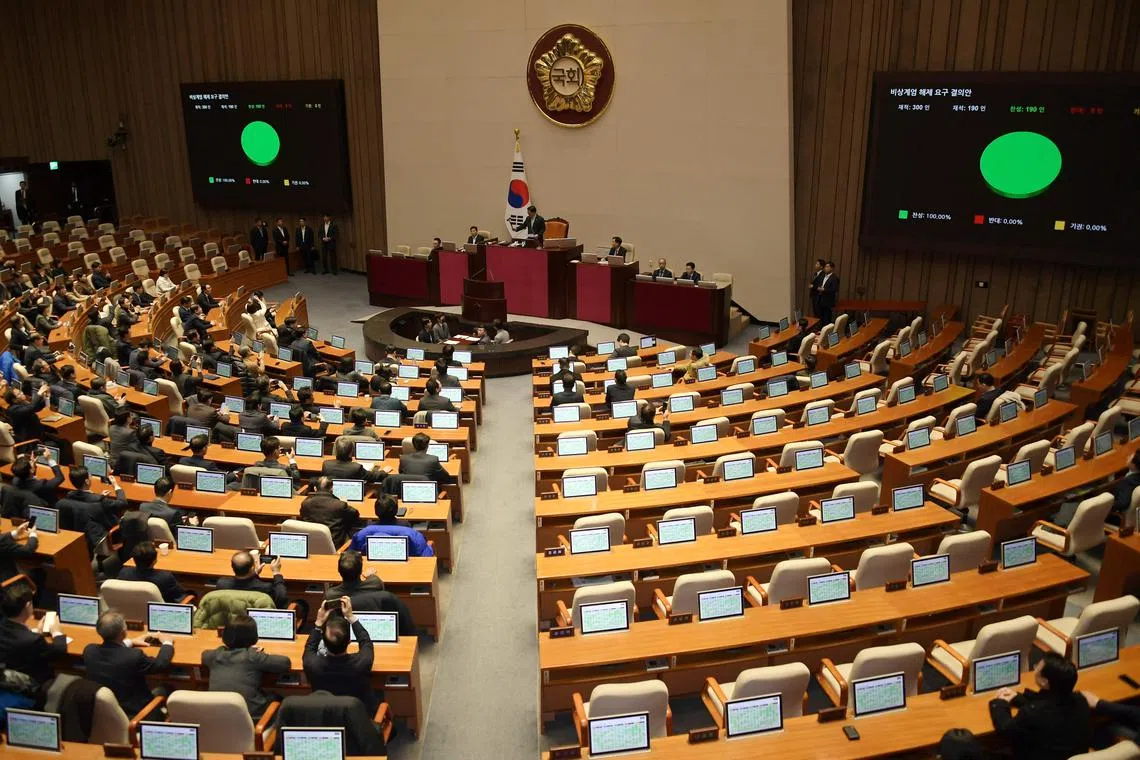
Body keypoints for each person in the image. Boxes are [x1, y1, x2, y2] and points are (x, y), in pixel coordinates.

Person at [988, 653, 1089, 760]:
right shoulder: (1081, 701)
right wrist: (1017, 698)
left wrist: (999, 703)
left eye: (1037, 667)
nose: (1034, 669)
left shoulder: (1032, 713)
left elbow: (1005, 730)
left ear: (1044, 682)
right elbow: (1048, 701)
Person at [82, 611, 174, 716]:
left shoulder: (89, 651)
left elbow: (112, 651)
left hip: (105, 712)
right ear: (123, 632)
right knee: (167, 688)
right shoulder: (134, 656)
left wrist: (130, 641)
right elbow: (160, 665)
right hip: (136, 713)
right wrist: (167, 643)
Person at [202, 613, 292, 719]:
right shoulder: (253, 656)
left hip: (218, 715)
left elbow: (204, 654)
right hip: (251, 717)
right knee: (278, 697)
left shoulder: (214, 655)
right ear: (254, 637)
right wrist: (260, 654)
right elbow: (285, 663)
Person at [303, 596, 379, 714]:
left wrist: (319, 622)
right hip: (358, 716)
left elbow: (310, 647)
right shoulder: (362, 662)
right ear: (349, 641)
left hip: (325, 716)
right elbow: (366, 642)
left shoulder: (312, 664)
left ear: (323, 642)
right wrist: (351, 617)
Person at [0, 579, 67, 687]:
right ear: (28, 605)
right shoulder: (33, 640)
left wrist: (35, 632)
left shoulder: (3, 625)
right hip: (33, 684)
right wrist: (56, 632)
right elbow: (58, 651)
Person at [350, 497, 434, 557]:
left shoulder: (362, 533)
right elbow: (426, 555)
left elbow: (351, 554)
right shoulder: (411, 533)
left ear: (375, 512)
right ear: (397, 511)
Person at [215, 550, 288, 608]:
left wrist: (255, 574)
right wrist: (276, 572)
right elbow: (281, 600)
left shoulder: (222, 584)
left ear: (232, 567)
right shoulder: (265, 588)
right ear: (252, 567)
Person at [117, 542, 186, 603]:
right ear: (154, 561)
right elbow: (179, 595)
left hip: (134, 608)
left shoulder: (123, 573)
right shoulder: (165, 578)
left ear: (134, 559)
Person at [301, 477, 361, 546]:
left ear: (315, 488)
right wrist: (344, 503)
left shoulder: (305, 504)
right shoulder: (340, 505)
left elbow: (302, 517)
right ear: (332, 489)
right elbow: (356, 515)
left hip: (310, 543)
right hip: (335, 544)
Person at [323, 438, 387, 483]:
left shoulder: (326, 465)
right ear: (351, 452)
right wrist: (384, 471)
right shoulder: (356, 468)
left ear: (336, 451)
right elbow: (373, 477)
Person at [817, 260, 839, 324]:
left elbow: (835, 289)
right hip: (821, 299)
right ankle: (821, 328)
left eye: (827, 267)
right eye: (825, 267)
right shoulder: (824, 276)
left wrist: (824, 289)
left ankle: (827, 329)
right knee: (821, 317)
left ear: (832, 268)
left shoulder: (834, 278)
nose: (825, 268)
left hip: (828, 301)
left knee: (826, 318)